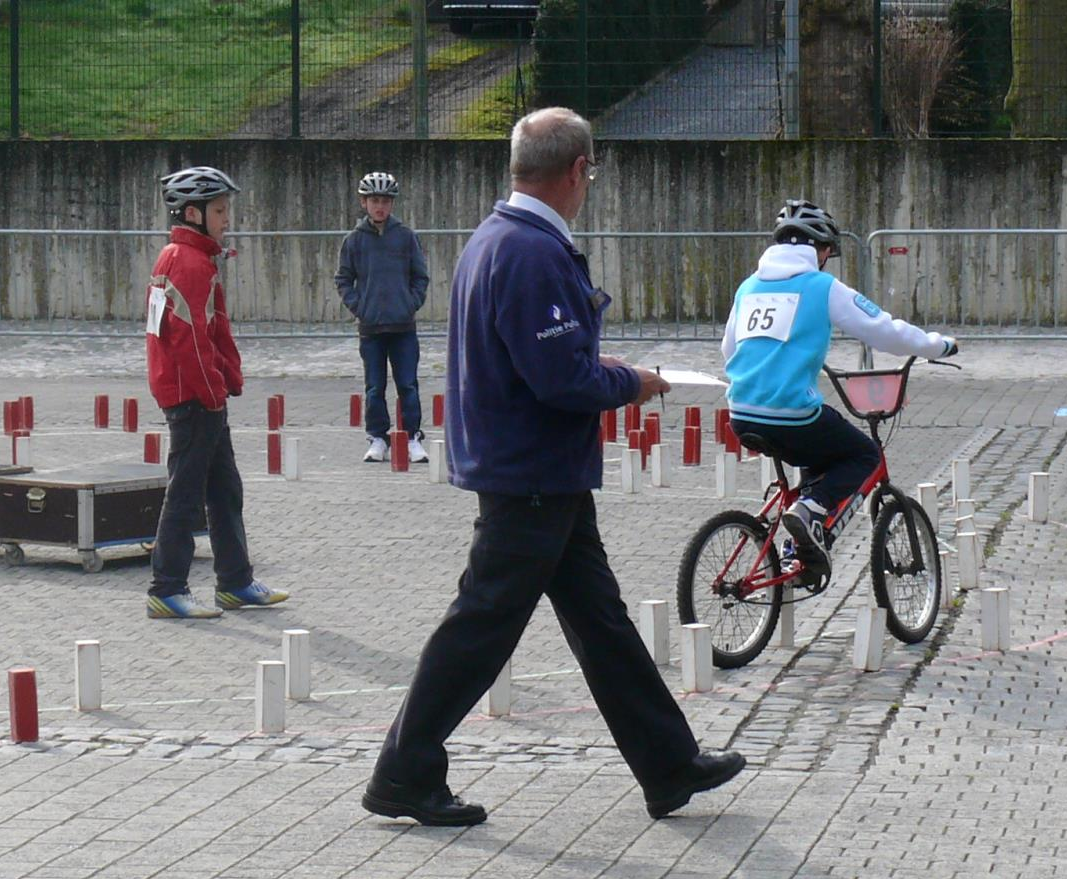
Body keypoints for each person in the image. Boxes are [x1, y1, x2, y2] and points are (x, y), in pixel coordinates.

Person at [362, 109, 747, 827]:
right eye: (590, 172)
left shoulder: (497, 238)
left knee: (600, 622)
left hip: (540, 470)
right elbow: (559, 381)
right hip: (531, 472)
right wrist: (635, 382)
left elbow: (540, 360)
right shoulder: (533, 251)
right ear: (577, 170)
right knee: (481, 625)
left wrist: (609, 368)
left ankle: (668, 764)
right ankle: (403, 770)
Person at [721, 199, 957, 581]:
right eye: (828, 251)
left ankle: (797, 550)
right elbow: (883, 329)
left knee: (818, 458)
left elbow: (729, 350)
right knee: (864, 454)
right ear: (821, 248)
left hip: (740, 411)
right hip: (791, 413)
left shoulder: (748, 287)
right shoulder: (821, 286)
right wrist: (937, 345)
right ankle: (810, 512)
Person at [142, 166, 289, 620]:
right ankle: (166, 588)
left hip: (200, 393)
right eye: (220, 210)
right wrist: (212, 392)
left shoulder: (191, 258)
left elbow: (211, 328)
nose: (228, 219)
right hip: (193, 397)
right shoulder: (186, 263)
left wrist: (228, 376)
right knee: (186, 493)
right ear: (193, 212)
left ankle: (235, 582)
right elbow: (188, 341)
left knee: (225, 489)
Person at [334, 171, 432, 463]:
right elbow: (343, 279)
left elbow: (420, 277)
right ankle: (378, 437)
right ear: (364, 203)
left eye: (386, 201)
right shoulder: (354, 241)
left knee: (408, 384)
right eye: (375, 200)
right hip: (371, 327)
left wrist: (410, 303)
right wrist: (360, 307)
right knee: (375, 386)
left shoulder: (405, 237)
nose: (380, 207)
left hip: (402, 326)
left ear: (392, 205)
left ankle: (412, 436)